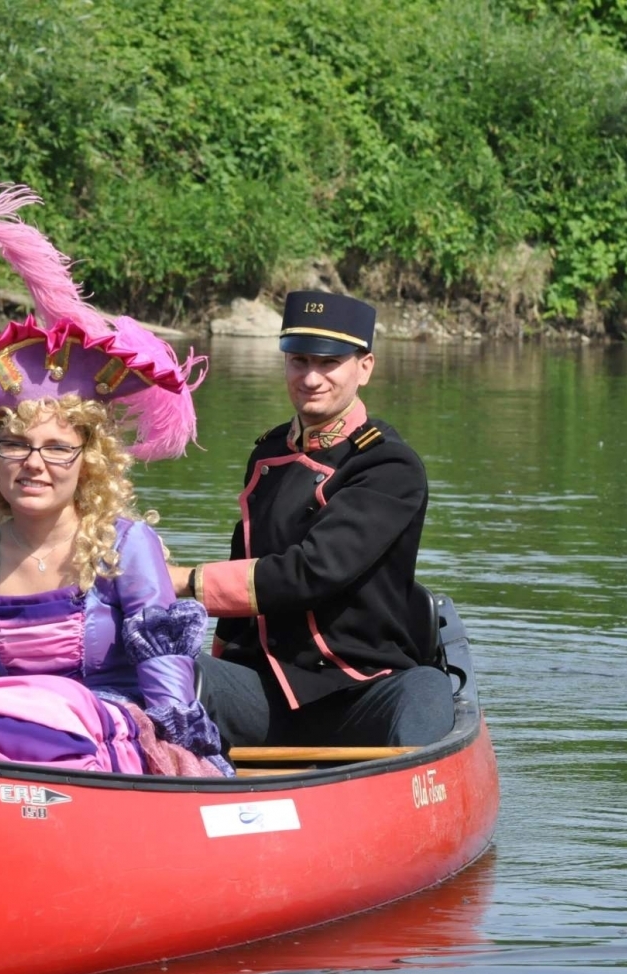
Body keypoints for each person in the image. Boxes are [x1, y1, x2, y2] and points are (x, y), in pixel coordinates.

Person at [0, 184, 228, 776]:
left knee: (53, 704)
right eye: (14, 445)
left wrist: (186, 759)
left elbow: (169, 690)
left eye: (56, 449)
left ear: (89, 460)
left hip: (119, 741)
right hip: (6, 737)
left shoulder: (128, 546)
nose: (33, 463)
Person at [169, 291, 455, 748]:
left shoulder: (388, 466)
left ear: (365, 367)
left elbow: (313, 573)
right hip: (267, 691)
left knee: (427, 690)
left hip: (361, 688)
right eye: (299, 360)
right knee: (163, 670)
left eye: (329, 363)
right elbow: (242, 574)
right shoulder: (269, 451)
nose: (311, 377)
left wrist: (183, 581)